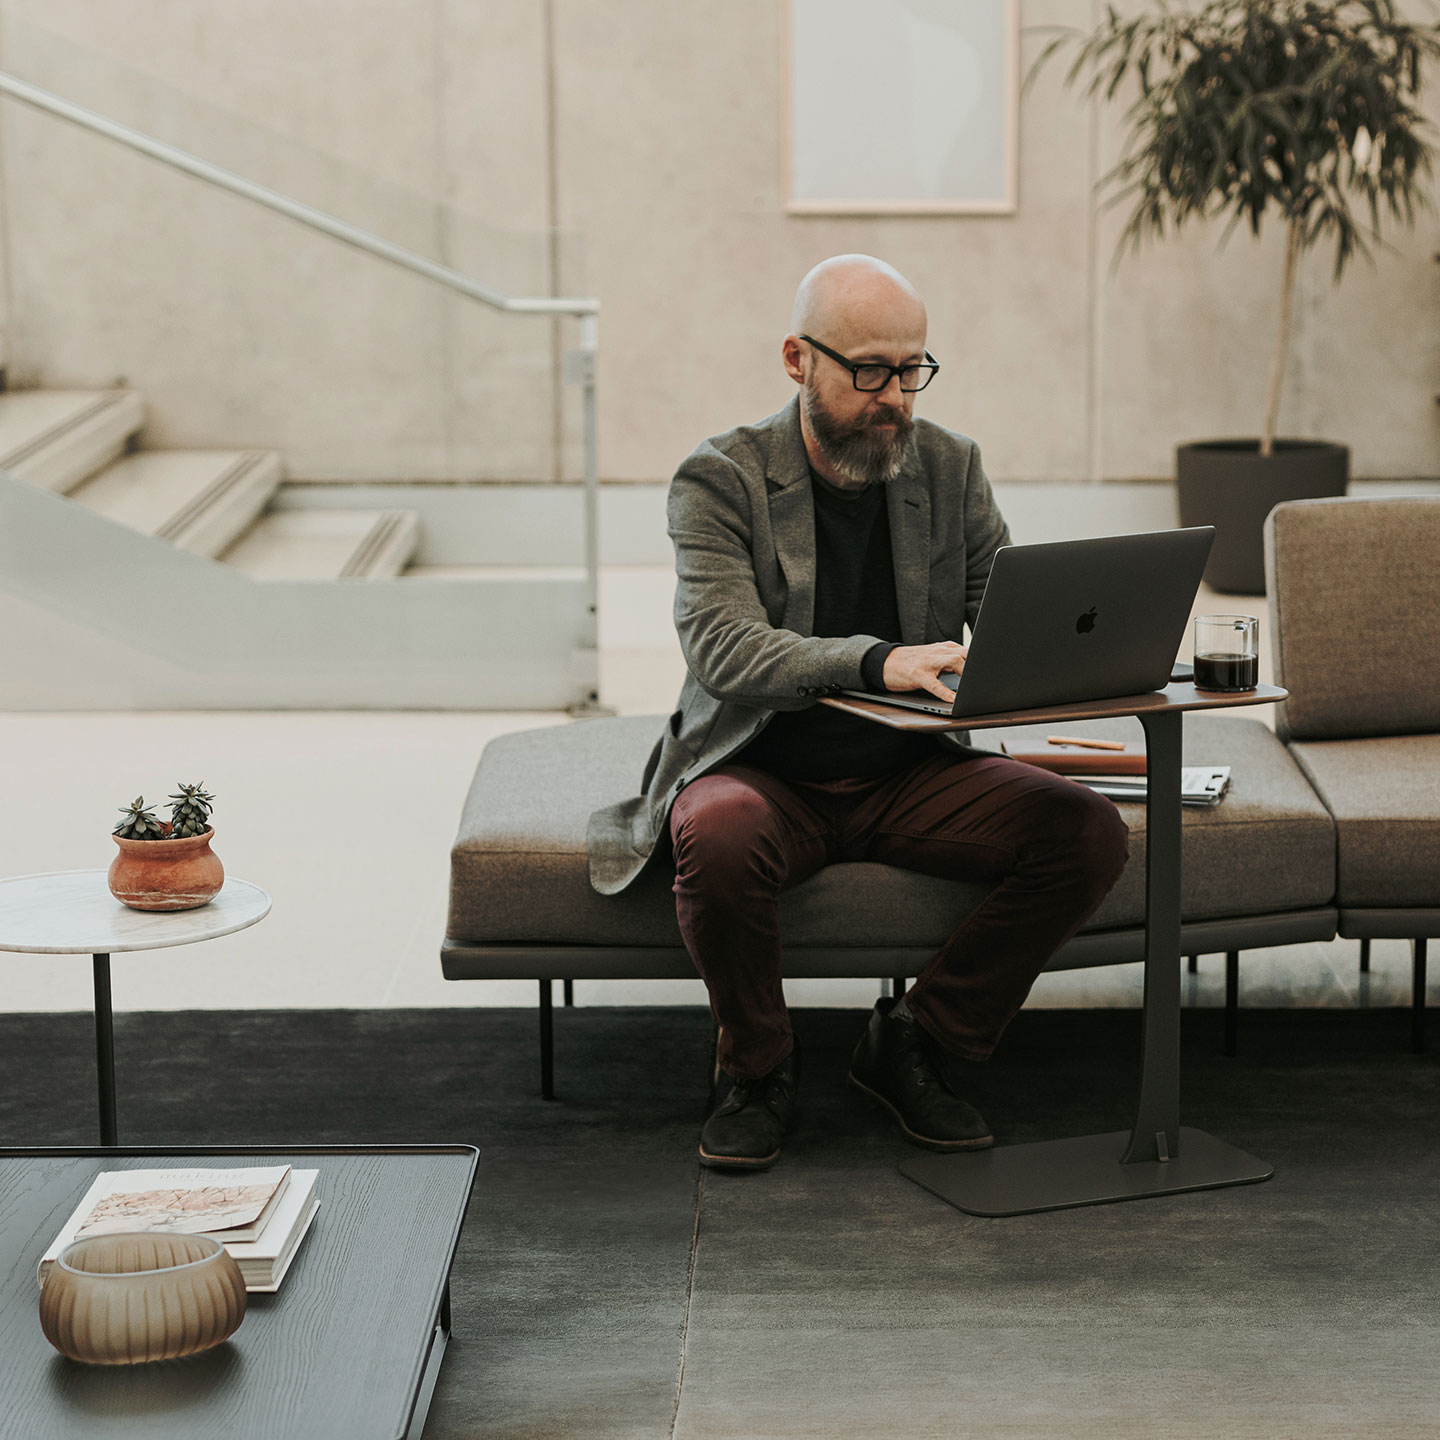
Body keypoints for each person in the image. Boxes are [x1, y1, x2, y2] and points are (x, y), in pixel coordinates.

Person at [587, 254, 1129, 1171]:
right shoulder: (721, 478)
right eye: (870, 370)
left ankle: (917, 1039)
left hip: (909, 771)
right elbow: (723, 647)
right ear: (798, 359)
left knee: (1083, 832)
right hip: (764, 769)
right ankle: (757, 1068)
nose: (897, 399)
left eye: (913, 369)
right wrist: (880, 660)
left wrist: (1084, 645)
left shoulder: (949, 468)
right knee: (712, 835)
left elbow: (1004, 609)